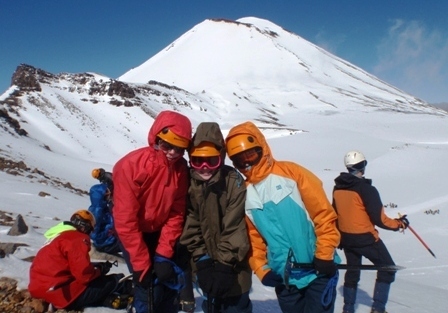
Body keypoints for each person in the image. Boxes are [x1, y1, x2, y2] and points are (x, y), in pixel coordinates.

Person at [225, 121, 340, 313]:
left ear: (261, 148)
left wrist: (325, 253)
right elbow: (253, 239)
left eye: (250, 154)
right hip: (285, 276)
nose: (247, 163)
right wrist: (262, 269)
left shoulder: (291, 173)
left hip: (318, 269)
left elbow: (323, 214)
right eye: (239, 160)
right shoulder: (244, 194)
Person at [112, 110, 192, 313]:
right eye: (167, 145)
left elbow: (176, 212)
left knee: (166, 283)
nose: (173, 153)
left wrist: (163, 254)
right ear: (156, 138)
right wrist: (141, 263)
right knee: (147, 286)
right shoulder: (129, 166)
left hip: (160, 232)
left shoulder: (181, 169)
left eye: (179, 148)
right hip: (134, 233)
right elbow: (125, 220)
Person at [180, 122, 253, 313]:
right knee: (211, 306)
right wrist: (202, 260)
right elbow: (190, 222)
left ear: (220, 158)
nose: (204, 168)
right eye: (198, 161)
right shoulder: (190, 184)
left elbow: (235, 226)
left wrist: (224, 264)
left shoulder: (232, 182)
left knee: (236, 306)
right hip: (205, 266)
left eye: (211, 161)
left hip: (234, 266)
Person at [332, 150, 409, 313]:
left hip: (346, 239)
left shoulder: (337, 188)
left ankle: (348, 309)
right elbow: (379, 220)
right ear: (363, 167)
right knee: (388, 269)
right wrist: (399, 225)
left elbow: (336, 213)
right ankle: (378, 309)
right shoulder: (366, 189)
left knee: (353, 272)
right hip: (366, 239)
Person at [29, 209, 132, 311]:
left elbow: (66, 265)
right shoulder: (77, 238)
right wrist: (100, 270)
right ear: (86, 227)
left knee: (93, 289)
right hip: (61, 294)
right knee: (115, 280)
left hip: (39, 289)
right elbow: (84, 276)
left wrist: (94, 267)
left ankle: (109, 300)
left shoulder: (58, 238)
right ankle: (137, 293)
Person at [89, 167, 121, 255]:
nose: (108, 194)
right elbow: (94, 234)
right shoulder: (97, 212)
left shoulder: (100, 207)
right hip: (106, 244)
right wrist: (111, 230)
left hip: (108, 241)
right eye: (106, 192)